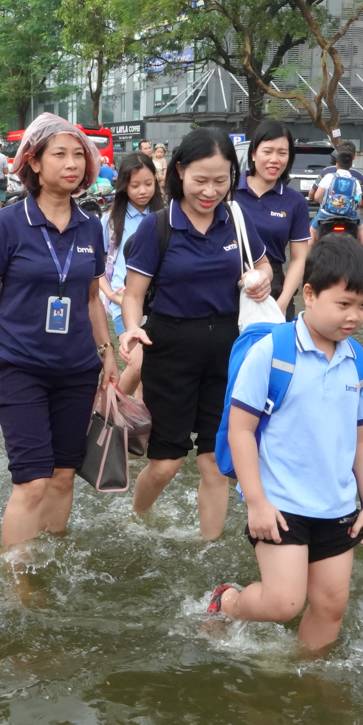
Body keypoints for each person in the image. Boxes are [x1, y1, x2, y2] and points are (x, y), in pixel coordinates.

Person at [206, 234, 363, 654]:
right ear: (309, 294)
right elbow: (240, 430)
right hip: (279, 502)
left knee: (330, 605)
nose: (354, 316)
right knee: (284, 603)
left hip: (337, 505)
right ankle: (226, 601)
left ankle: (305, 679)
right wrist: (256, 503)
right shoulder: (272, 351)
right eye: (344, 304)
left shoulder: (357, 360)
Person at [0, 113, 120, 548]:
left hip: (77, 369)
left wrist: (107, 352)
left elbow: (92, 298)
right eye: (60, 154)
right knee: (32, 481)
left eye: (79, 155)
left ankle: (51, 563)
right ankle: (15, 583)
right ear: (34, 163)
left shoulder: (91, 225)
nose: (72, 163)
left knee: (62, 477)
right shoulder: (8, 224)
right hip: (21, 366)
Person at [118, 129, 273, 540]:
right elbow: (133, 295)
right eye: (201, 180)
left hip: (228, 351)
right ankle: (135, 517)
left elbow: (264, 266)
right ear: (181, 171)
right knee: (167, 462)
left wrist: (260, 279)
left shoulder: (236, 219)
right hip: (169, 348)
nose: (211, 191)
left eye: (221, 181)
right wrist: (132, 327)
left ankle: (209, 549)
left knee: (215, 461)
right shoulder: (157, 228)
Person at [234, 120, 313, 318]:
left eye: (282, 153)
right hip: (229, 286)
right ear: (253, 154)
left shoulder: (295, 201)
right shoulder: (229, 192)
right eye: (267, 151)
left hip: (274, 291)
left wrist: (283, 302)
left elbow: (299, 259)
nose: (274, 159)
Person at [99, 152, 162, 395]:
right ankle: (108, 413)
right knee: (138, 362)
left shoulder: (165, 217)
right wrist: (110, 295)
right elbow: (98, 269)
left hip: (157, 304)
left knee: (149, 373)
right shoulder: (111, 220)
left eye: (148, 183)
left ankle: (138, 428)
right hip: (124, 303)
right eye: (135, 185)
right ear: (124, 185)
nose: (143, 191)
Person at [310, 143, 363, 252]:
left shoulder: (328, 176)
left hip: (326, 214)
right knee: (361, 229)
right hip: (349, 215)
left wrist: (322, 204)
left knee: (312, 231)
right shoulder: (356, 181)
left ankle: (304, 261)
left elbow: (317, 196)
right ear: (352, 163)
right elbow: (360, 201)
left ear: (337, 164)